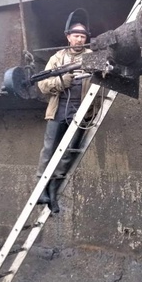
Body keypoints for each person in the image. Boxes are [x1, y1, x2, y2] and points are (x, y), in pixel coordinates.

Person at [35, 11, 98, 213]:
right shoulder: (57, 58)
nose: (79, 39)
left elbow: (104, 77)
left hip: (81, 113)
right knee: (49, 151)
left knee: (68, 154)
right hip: (58, 110)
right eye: (76, 35)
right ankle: (41, 190)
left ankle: (53, 191)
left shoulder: (91, 57)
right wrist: (62, 81)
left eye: (83, 36)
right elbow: (43, 85)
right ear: (68, 37)